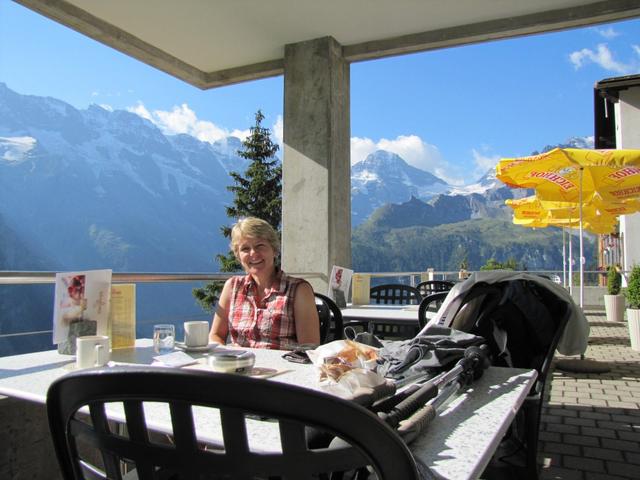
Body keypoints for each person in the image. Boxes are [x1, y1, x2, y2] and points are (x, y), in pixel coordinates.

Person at [209, 217, 320, 349]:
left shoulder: (299, 290)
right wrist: (223, 356)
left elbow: (309, 347)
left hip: (283, 367)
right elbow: (216, 336)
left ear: (274, 250)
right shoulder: (232, 287)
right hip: (238, 365)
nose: (253, 254)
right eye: (245, 249)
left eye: (260, 246)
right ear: (238, 256)